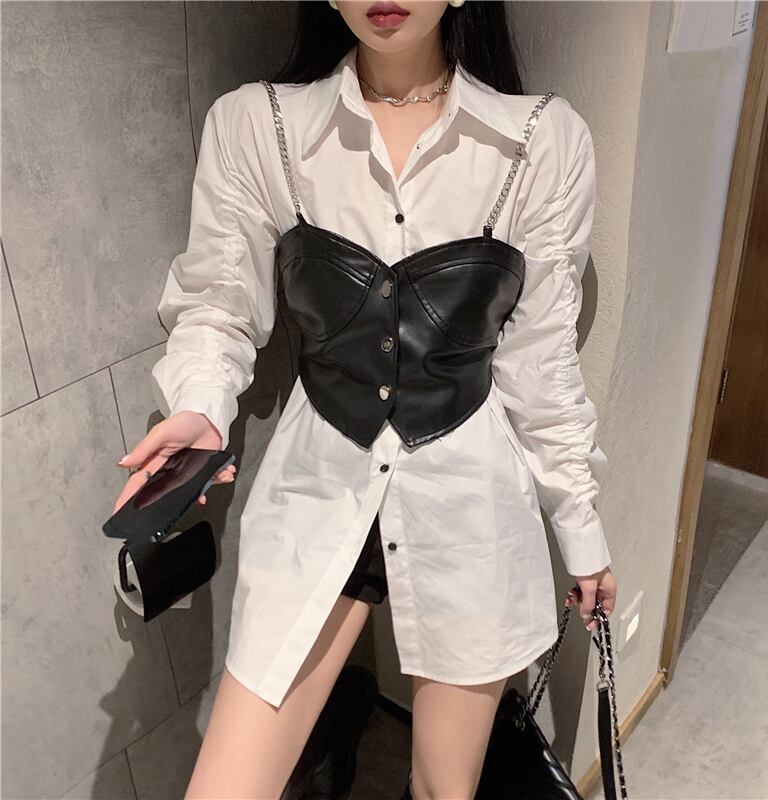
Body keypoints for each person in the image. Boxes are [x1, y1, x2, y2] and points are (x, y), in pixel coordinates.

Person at [114, 1, 618, 798]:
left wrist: (580, 529)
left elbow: (541, 362)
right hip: (319, 486)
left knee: (445, 791)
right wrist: (201, 408)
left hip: (468, 501)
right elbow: (219, 303)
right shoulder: (259, 126)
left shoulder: (540, 140)